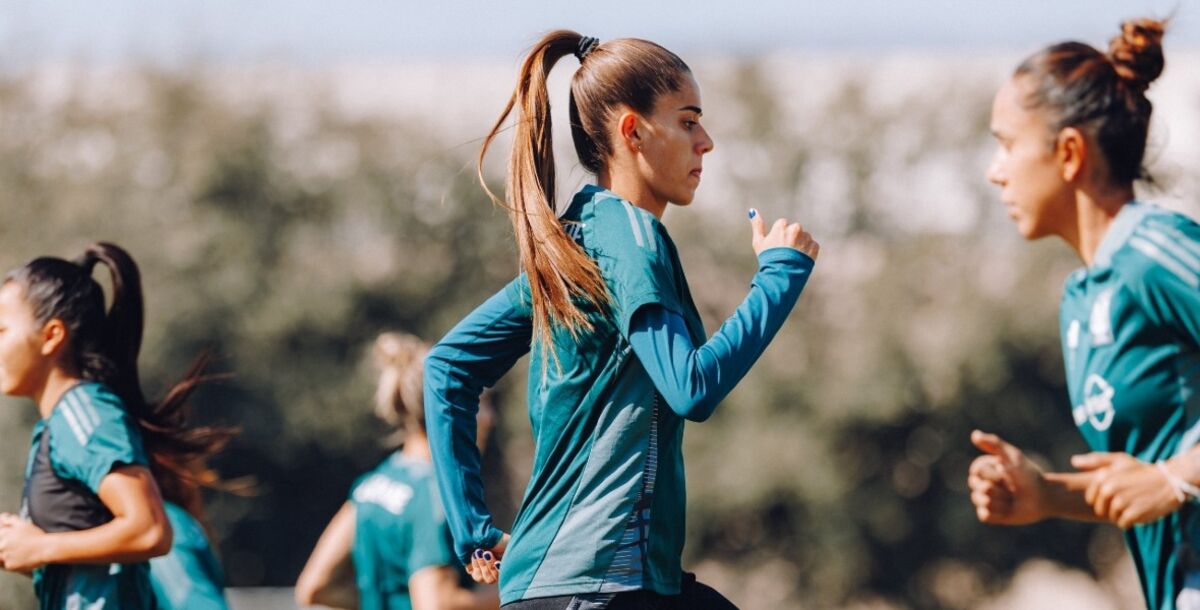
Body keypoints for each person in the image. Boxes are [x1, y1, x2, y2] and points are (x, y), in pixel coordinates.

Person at [424, 30, 819, 609]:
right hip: (603, 583)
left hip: (564, 584)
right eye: (688, 121)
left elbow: (446, 366)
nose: (706, 142)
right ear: (632, 131)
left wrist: (474, 533)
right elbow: (691, 387)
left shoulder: (575, 241)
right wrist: (778, 278)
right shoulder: (633, 238)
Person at [966, 17, 1200, 610]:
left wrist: (1179, 479)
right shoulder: (1081, 297)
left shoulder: (1152, 249)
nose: (995, 171)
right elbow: (1142, 479)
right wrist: (1048, 494)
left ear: (1068, 152)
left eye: (1007, 144)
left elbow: (1169, 479)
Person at [0, 242, 231, 609]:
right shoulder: (57, 424)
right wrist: (28, 550)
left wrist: (41, 546)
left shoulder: (85, 410)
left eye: (1, 330)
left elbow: (150, 530)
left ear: (51, 336)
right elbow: (94, 568)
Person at [296, 332, 499, 610]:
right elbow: (435, 605)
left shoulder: (373, 484)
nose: (490, 419)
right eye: (481, 404)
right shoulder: (436, 492)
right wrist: (519, 591)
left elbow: (315, 588)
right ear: (450, 411)